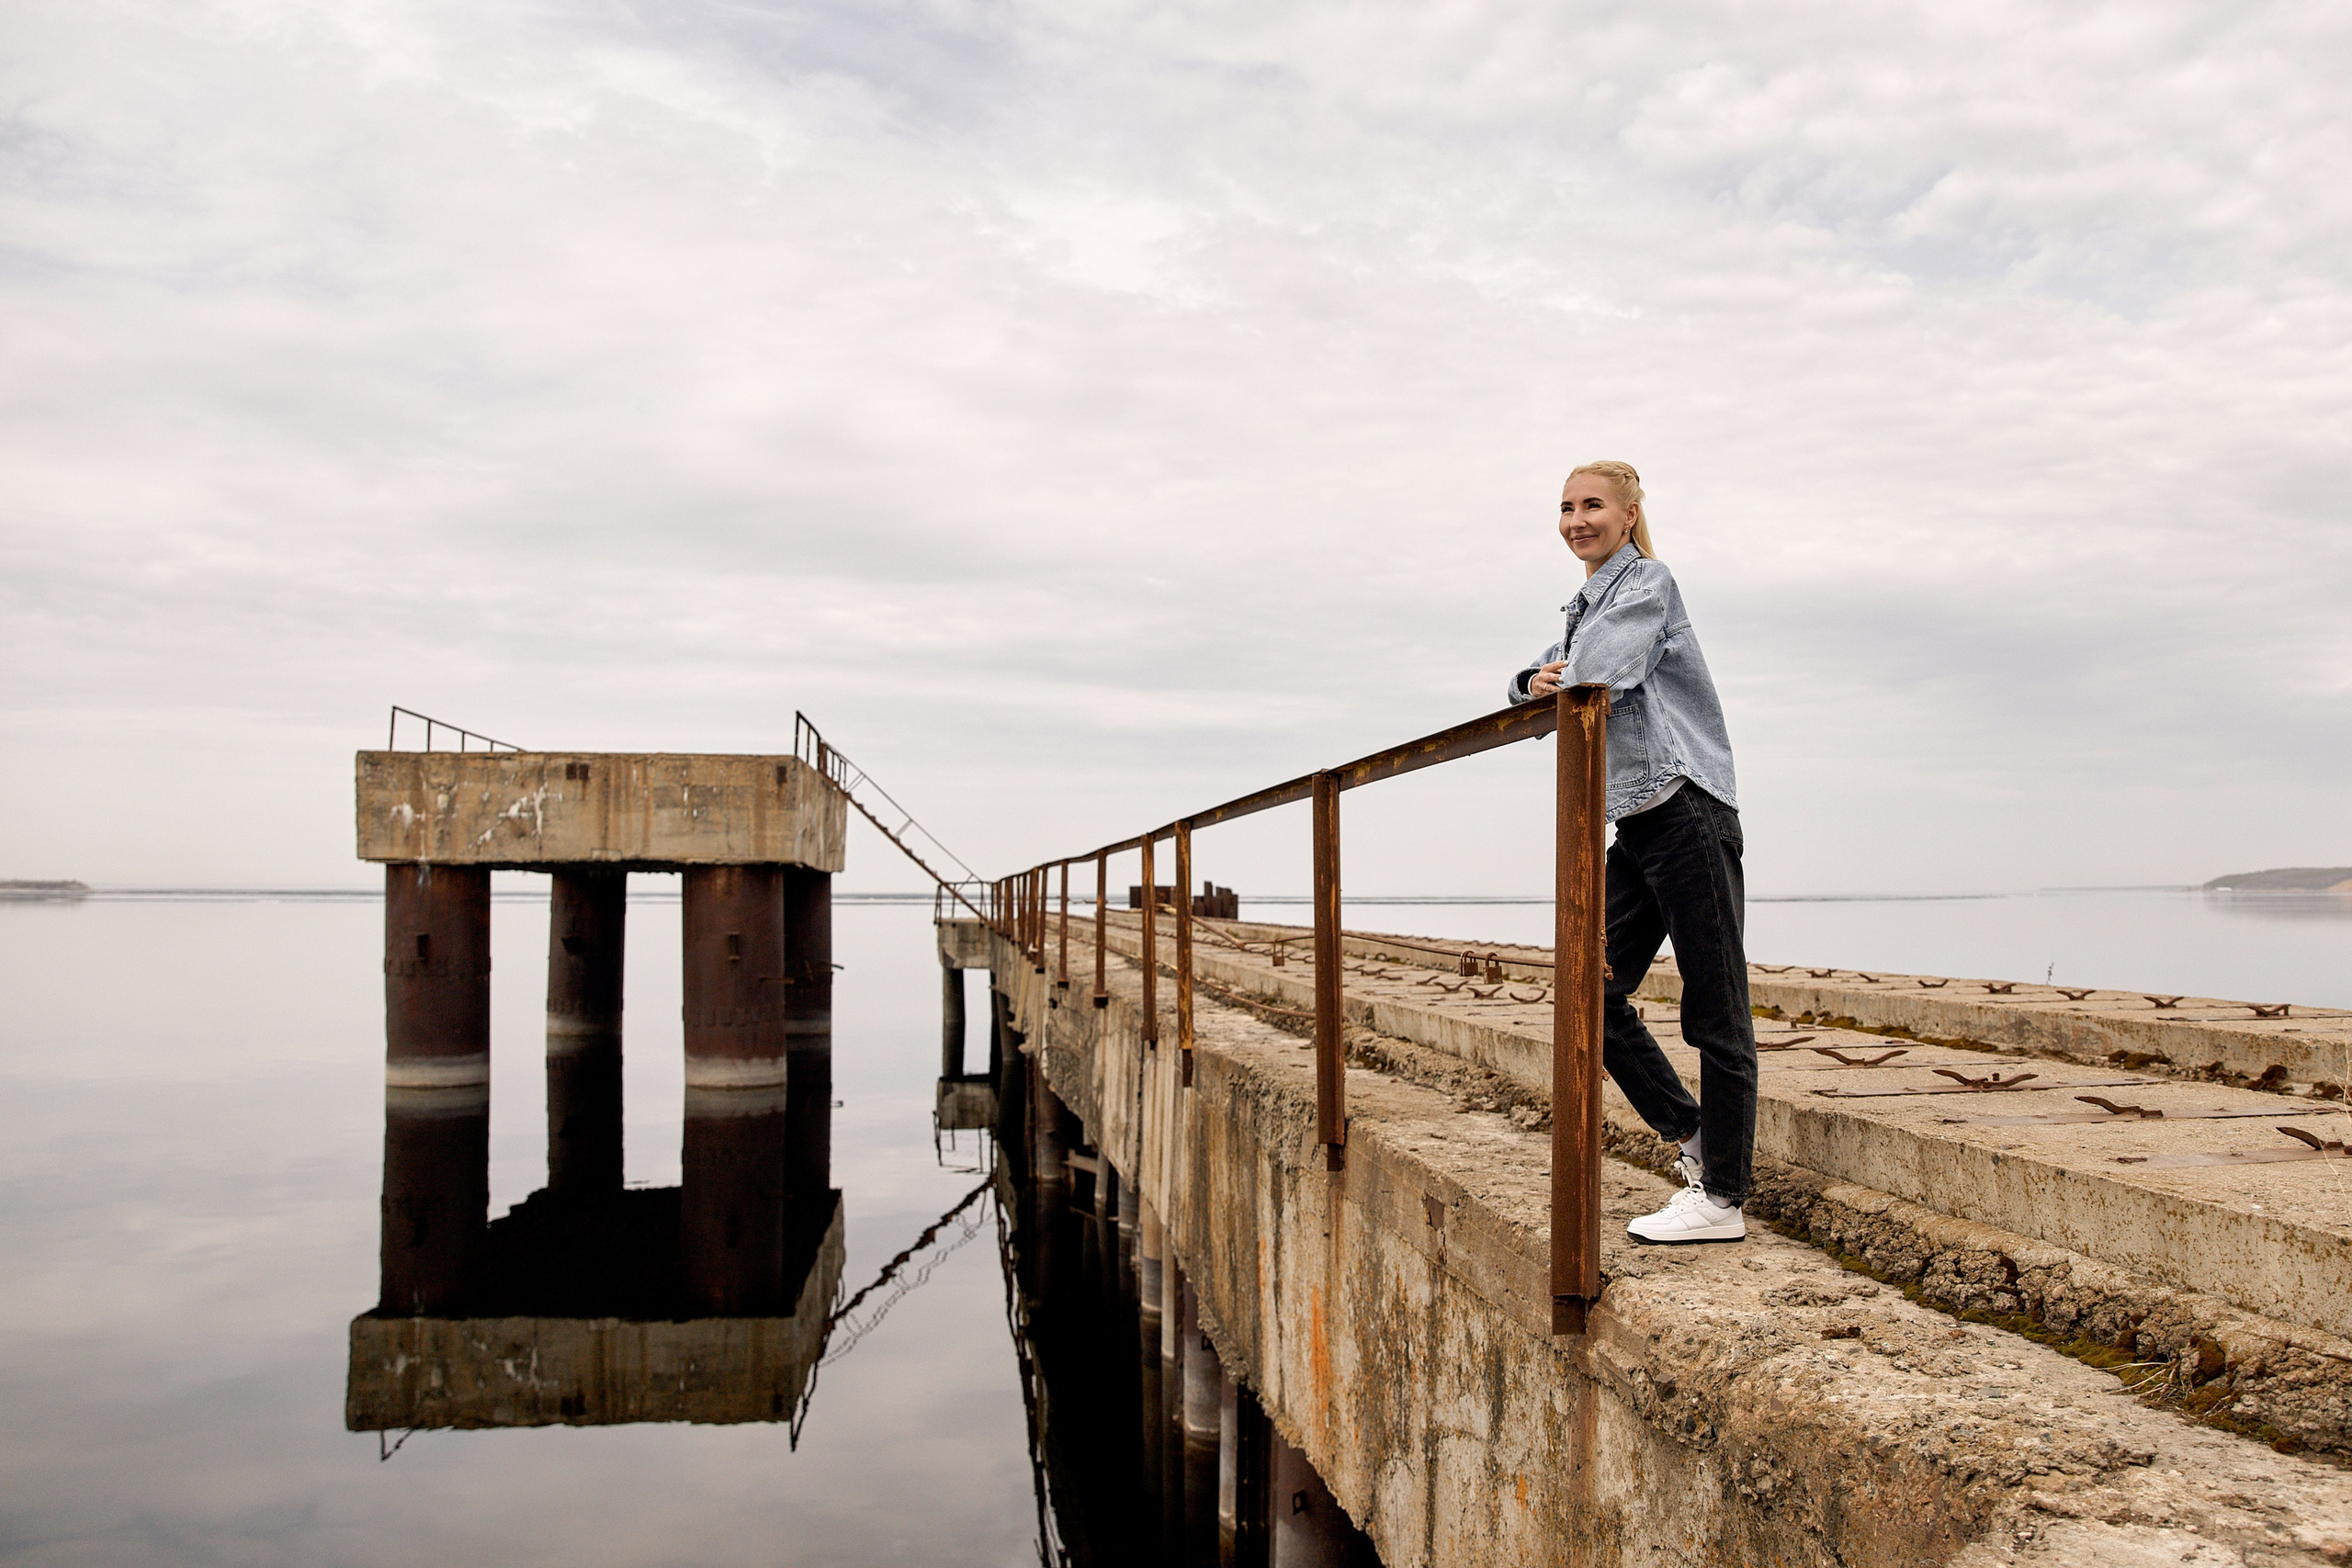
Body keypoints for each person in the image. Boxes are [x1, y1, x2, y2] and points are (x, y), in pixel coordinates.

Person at [1507, 461, 1756, 1244]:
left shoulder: (1646, 582)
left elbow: (1594, 677)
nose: (1577, 519)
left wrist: (1555, 680)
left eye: (1592, 506)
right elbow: (1537, 685)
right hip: (1637, 823)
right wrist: (1531, 679)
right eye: (1566, 507)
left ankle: (1723, 1199)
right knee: (1587, 989)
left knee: (1716, 1010)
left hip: (1685, 807)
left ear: (1628, 513)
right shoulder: (1588, 605)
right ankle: (1694, 1136)